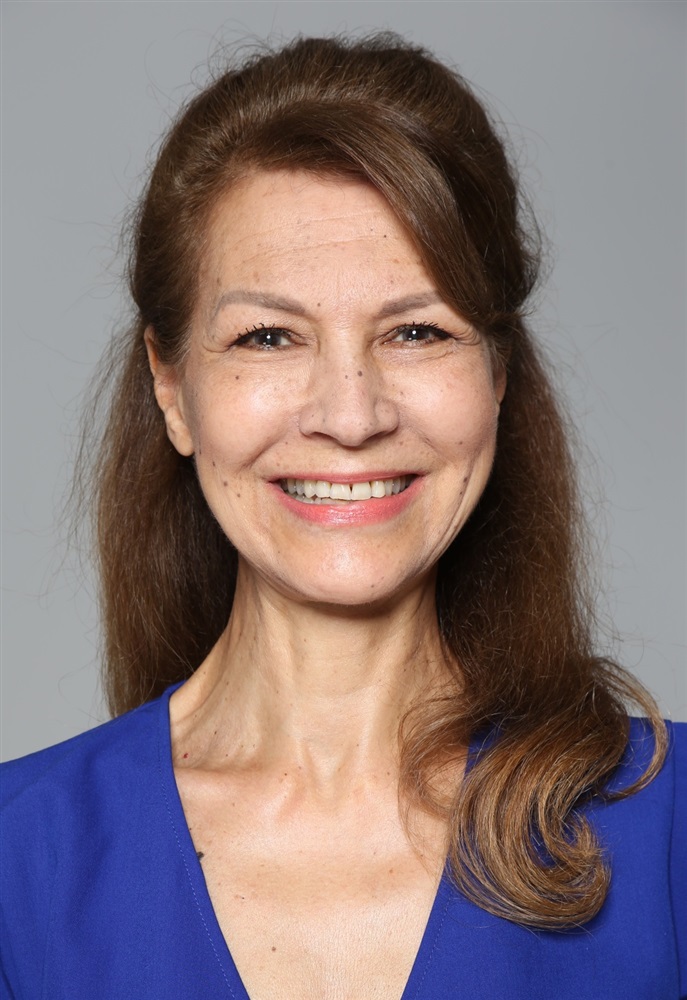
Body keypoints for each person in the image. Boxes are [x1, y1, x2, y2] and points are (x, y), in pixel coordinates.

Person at [1, 33, 684, 1000]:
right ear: (171, 387)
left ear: (497, 373)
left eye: (416, 330)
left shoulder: (669, 835)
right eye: (268, 337)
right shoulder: (17, 861)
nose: (351, 416)